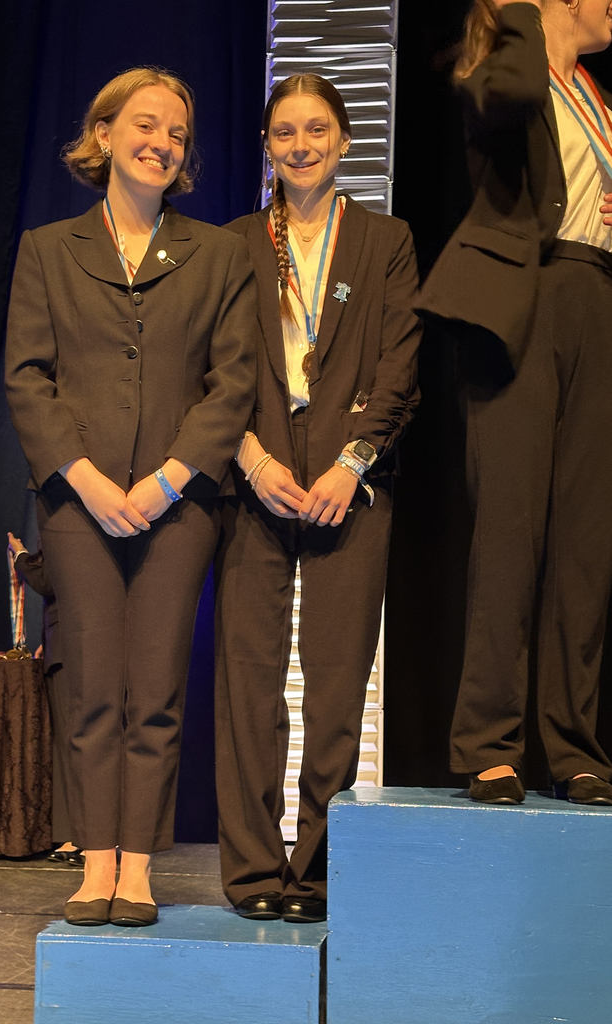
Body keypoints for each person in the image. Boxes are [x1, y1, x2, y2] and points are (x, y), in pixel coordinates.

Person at [5, 68, 256, 926]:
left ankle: (139, 864)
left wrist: (162, 482)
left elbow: (232, 385)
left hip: (177, 505)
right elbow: (27, 379)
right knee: (93, 688)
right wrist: (83, 478)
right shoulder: (47, 247)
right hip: (77, 503)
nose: (162, 142)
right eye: (145, 124)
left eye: (178, 133)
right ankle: (95, 858)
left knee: (154, 687)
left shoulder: (218, 253)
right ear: (103, 132)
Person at [214, 74, 421, 923]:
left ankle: (318, 872)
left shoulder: (384, 239)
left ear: (343, 142)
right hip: (252, 479)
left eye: (316, 130)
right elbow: (209, 373)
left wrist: (351, 463)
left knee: (337, 687)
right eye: (284, 132)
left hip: (350, 486)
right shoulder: (231, 244)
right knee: (248, 685)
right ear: (267, 146)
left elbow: (401, 364)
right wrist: (253, 461)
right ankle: (254, 874)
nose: (299, 145)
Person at [419, 0, 612, 805]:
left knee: (583, 540)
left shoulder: (599, 99)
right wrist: (529, 15)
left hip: (595, 298)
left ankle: (573, 747)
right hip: (520, 303)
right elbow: (512, 99)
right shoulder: (506, 67)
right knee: (508, 527)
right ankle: (488, 743)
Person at [7, 532, 82, 866]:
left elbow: (47, 579)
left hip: (72, 649)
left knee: (74, 745)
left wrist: (20, 555)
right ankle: (86, 835)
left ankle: (79, 838)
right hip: (72, 645)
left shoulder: (67, 528)